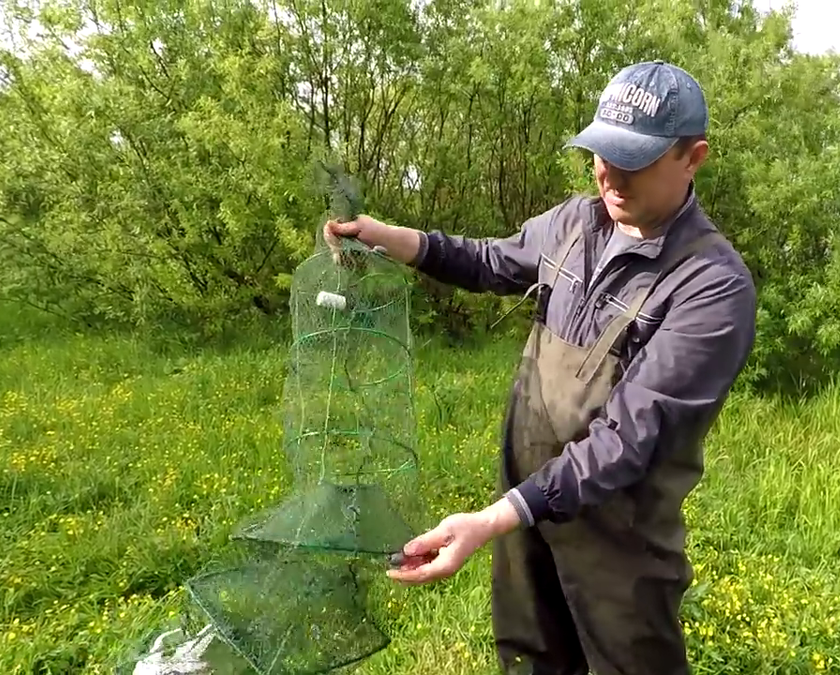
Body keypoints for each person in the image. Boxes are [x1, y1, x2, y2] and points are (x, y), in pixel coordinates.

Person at [324, 60, 757, 675]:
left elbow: (629, 439)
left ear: (693, 158)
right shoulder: (573, 223)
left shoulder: (711, 286)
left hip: (619, 543)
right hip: (526, 515)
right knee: (530, 662)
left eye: (633, 159)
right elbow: (487, 261)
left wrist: (495, 517)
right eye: (602, 153)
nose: (609, 174)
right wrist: (386, 236)